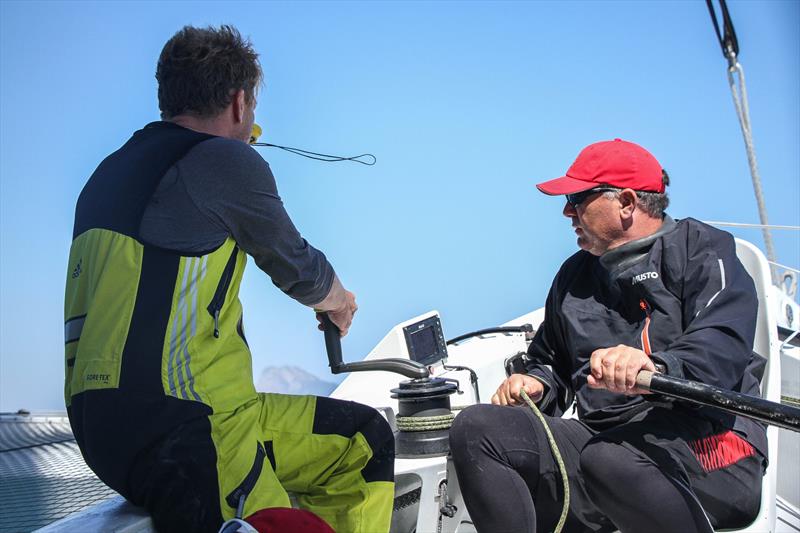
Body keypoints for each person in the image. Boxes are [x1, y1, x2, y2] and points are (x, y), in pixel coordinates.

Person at [63, 25, 394, 533]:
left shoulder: (107, 174)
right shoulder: (221, 159)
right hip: (188, 425)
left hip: (101, 428)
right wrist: (339, 302)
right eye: (252, 116)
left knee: (362, 440)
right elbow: (299, 267)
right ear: (239, 103)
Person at [449, 139, 767, 533]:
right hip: (606, 444)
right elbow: (552, 363)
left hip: (712, 442)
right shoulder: (573, 275)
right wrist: (537, 383)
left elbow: (722, 345)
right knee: (477, 427)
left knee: (609, 459)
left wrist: (657, 367)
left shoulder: (703, 250)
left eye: (578, 197)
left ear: (628, 203)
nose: (568, 211)